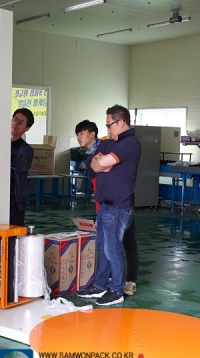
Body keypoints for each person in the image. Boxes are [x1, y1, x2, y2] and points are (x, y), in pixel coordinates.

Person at [77, 105, 141, 306]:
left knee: (112, 250)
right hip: (105, 205)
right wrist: (101, 162)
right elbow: (94, 164)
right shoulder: (111, 143)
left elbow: (102, 162)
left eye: (109, 124)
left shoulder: (130, 143)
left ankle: (116, 290)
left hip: (119, 206)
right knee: (102, 248)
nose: (107, 128)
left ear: (121, 122)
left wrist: (103, 162)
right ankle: (100, 285)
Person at [10, 108, 34, 226]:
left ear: (27, 128)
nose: (16, 124)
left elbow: (23, 167)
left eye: (21, 122)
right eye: (15, 119)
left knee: (13, 233)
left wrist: (9, 153)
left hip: (14, 200)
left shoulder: (26, 150)